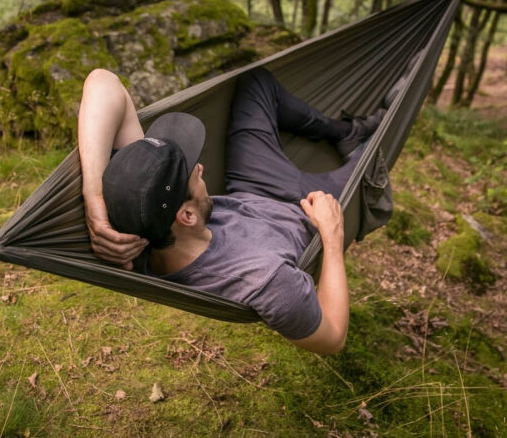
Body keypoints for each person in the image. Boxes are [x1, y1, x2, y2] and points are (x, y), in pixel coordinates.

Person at [79, 66, 386, 354]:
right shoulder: (265, 280)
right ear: (186, 216)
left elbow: (103, 82)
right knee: (374, 156)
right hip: (309, 210)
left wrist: (93, 197)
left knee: (256, 81)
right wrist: (332, 237)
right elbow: (332, 338)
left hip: (252, 189)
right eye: (194, 174)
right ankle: (361, 140)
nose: (201, 167)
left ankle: (345, 132)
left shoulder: (134, 218)